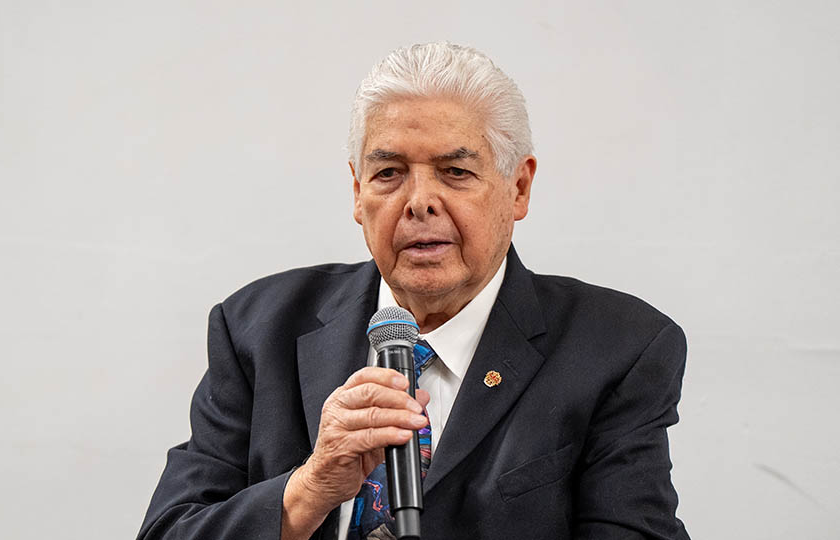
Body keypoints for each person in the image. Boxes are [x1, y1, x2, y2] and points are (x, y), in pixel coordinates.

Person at [138, 42, 690, 540]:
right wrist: (309, 490)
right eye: (389, 173)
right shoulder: (258, 328)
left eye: (455, 172)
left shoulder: (617, 348)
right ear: (358, 193)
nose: (419, 201)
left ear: (518, 188)